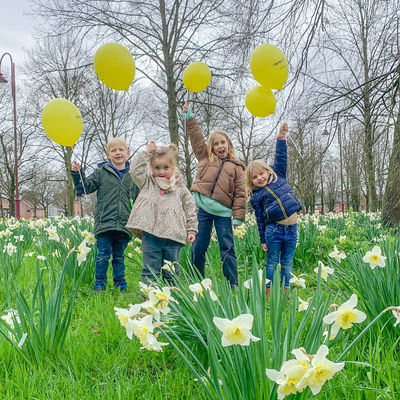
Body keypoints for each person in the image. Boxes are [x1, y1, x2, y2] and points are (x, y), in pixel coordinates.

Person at [182, 103, 246, 288]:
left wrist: (239, 217)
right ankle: (196, 281)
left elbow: (240, 193)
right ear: (211, 147)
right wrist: (189, 117)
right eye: (216, 143)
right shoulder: (205, 157)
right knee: (199, 245)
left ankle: (232, 283)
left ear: (228, 145)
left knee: (227, 247)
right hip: (203, 209)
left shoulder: (237, 167)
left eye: (222, 143)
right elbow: (196, 137)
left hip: (223, 212)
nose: (219, 146)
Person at [71, 137, 139, 292]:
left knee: (119, 257)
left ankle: (120, 284)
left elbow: (140, 196)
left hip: (124, 223)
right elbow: (86, 187)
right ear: (108, 154)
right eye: (113, 150)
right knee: (102, 255)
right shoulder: (102, 172)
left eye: (121, 150)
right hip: (105, 222)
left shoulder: (133, 175)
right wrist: (77, 174)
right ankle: (100, 284)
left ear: (127, 153)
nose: (118, 153)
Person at [126, 141, 198, 284]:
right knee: (150, 270)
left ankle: (171, 301)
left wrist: (191, 229)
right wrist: (147, 154)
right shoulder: (148, 182)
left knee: (171, 272)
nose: (161, 172)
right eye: (157, 167)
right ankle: (149, 300)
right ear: (151, 167)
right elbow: (135, 171)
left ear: (173, 167)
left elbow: (190, 208)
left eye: (166, 167)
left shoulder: (180, 188)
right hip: (151, 234)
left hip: (173, 236)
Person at [245, 123, 302, 295]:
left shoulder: (279, 175)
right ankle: (268, 293)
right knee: (271, 262)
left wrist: (281, 136)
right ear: (251, 182)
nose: (259, 178)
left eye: (261, 173)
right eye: (254, 177)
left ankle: (285, 293)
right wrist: (262, 239)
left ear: (267, 170)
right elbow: (260, 219)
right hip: (273, 230)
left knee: (287, 262)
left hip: (292, 229)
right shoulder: (256, 196)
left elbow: (281, 156)